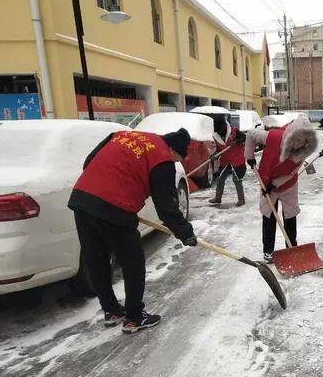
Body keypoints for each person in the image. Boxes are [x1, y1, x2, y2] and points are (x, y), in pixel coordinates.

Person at [68, 128, 197, 334]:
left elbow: (89, 161)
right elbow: (167, 207)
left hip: (82, 199)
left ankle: (111, 311)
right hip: (115, 206)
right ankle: (134, 317)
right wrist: (186, 232)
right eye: (177, 158)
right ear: (172, 149)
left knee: (96, 259)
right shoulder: (162, 158)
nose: (174, 162)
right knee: (133, 262)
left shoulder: (121, 135)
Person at [245, 115, 317, 263]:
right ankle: (268, 252)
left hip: (289, 184)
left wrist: (274, 185)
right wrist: (249, 156)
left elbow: (292, 171)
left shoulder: (304, 149)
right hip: (266, 180)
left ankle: (291, 249)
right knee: (269, 215)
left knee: (290, 217)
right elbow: (250, 134)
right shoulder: (272, 136)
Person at [209, 117, 246, 207]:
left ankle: (241, 199)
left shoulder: (234, 131)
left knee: (236, 180)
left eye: (220, 130)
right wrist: (215, 155)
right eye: (217, 131)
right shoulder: (217, 136)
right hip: (225, 160)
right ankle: (218, 198)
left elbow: (244, 137)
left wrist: (236, 142)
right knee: (220, 178)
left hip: (237, 159)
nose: (219, 132)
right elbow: (219, 149)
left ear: (225, 126)